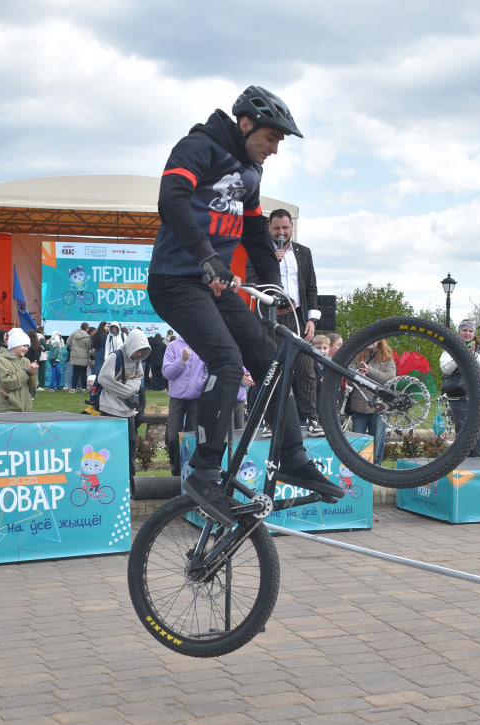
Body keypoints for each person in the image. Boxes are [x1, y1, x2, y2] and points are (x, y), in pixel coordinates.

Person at [145, 84, 343, 525]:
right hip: (175, 281)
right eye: (272, 138)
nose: (275, 149)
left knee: (270, 359)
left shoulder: (251, 173)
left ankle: (292, 455)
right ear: (246, 123)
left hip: (215, 284)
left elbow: (255, 234)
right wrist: (208, 258)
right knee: (227, 361)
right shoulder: (199, 146)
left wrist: (274, 288)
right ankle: (204, 472)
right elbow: (170, 200)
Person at [246, 209, 323, 434]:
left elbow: (311, 287)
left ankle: (311, 419)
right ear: (269, 229)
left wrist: (312, 320)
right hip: (269, 319)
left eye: (285, 228)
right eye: (277, 228)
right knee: (271, 371)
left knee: (306, 369)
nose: (281, 232)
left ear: (291, 227)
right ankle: (269, 421)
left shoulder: (303, 253)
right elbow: (251, 285)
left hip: (297, 317)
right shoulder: (258, 252)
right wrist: (271, 262)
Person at [98, 328, 151, 481]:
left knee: (130, 445)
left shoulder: (136, 361)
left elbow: (138, 379)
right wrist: (126, 391)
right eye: (138, 350)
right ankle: (109, 479)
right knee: (110, 447)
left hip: (127, 411)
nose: (139, 354)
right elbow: (104, 379)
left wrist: (129, 389)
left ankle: (130, 479)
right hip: (110, 409)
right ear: (131, 345)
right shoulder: (115, 357)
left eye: (142, 351)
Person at [439, 319, 480, 459]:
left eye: (470, 331)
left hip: (477, 395)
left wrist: (473, 355)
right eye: (464, 330)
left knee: (478, 429)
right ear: (459, 331)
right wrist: (460, 355)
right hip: (458, 394)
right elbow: (445, 368)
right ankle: (462, 462)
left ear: (474, 333)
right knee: (462, 428)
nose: (467, 333)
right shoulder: (450, 346)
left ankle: (478, 463)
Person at [162, 335, 207, 477]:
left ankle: (190, 473)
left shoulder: (202, 345)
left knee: (192, 437)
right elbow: (167, 373)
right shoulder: (173, 346)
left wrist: (202, 381)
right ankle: (176, 472)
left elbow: (210, 369)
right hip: (177, 397)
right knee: (173, 437)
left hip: (196, 397)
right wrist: (181, 360)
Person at [347, 339, 396, 465]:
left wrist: (369, 370)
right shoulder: (356, 356)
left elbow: (389, 379)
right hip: (359, 407)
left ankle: (376, 469)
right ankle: (358, 470)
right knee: (357, 444)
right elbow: (348, 379)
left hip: (379, 408)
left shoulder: (387, 358)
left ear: (380, 340)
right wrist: (357, 375)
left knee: (378, 444)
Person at [0, 328, 38, 413]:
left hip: (25, 410)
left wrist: (33, 372)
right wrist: (27, 372)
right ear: (14, 345)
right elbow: (8, 383)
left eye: (27, 346)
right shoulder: (2, 360)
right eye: (23, 345)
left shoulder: (26, 361)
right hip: (7, 410)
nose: (26, 349)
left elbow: (32, 387)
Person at [67, 322, 93, 392]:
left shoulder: (74, 333)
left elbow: (68, 342)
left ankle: (73, 388)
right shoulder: (87, 337)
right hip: (83, 357)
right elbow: (89, 346)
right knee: (83, 373)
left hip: (74, 356)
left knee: (75, 373)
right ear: (87, 328)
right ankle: (84, 388)